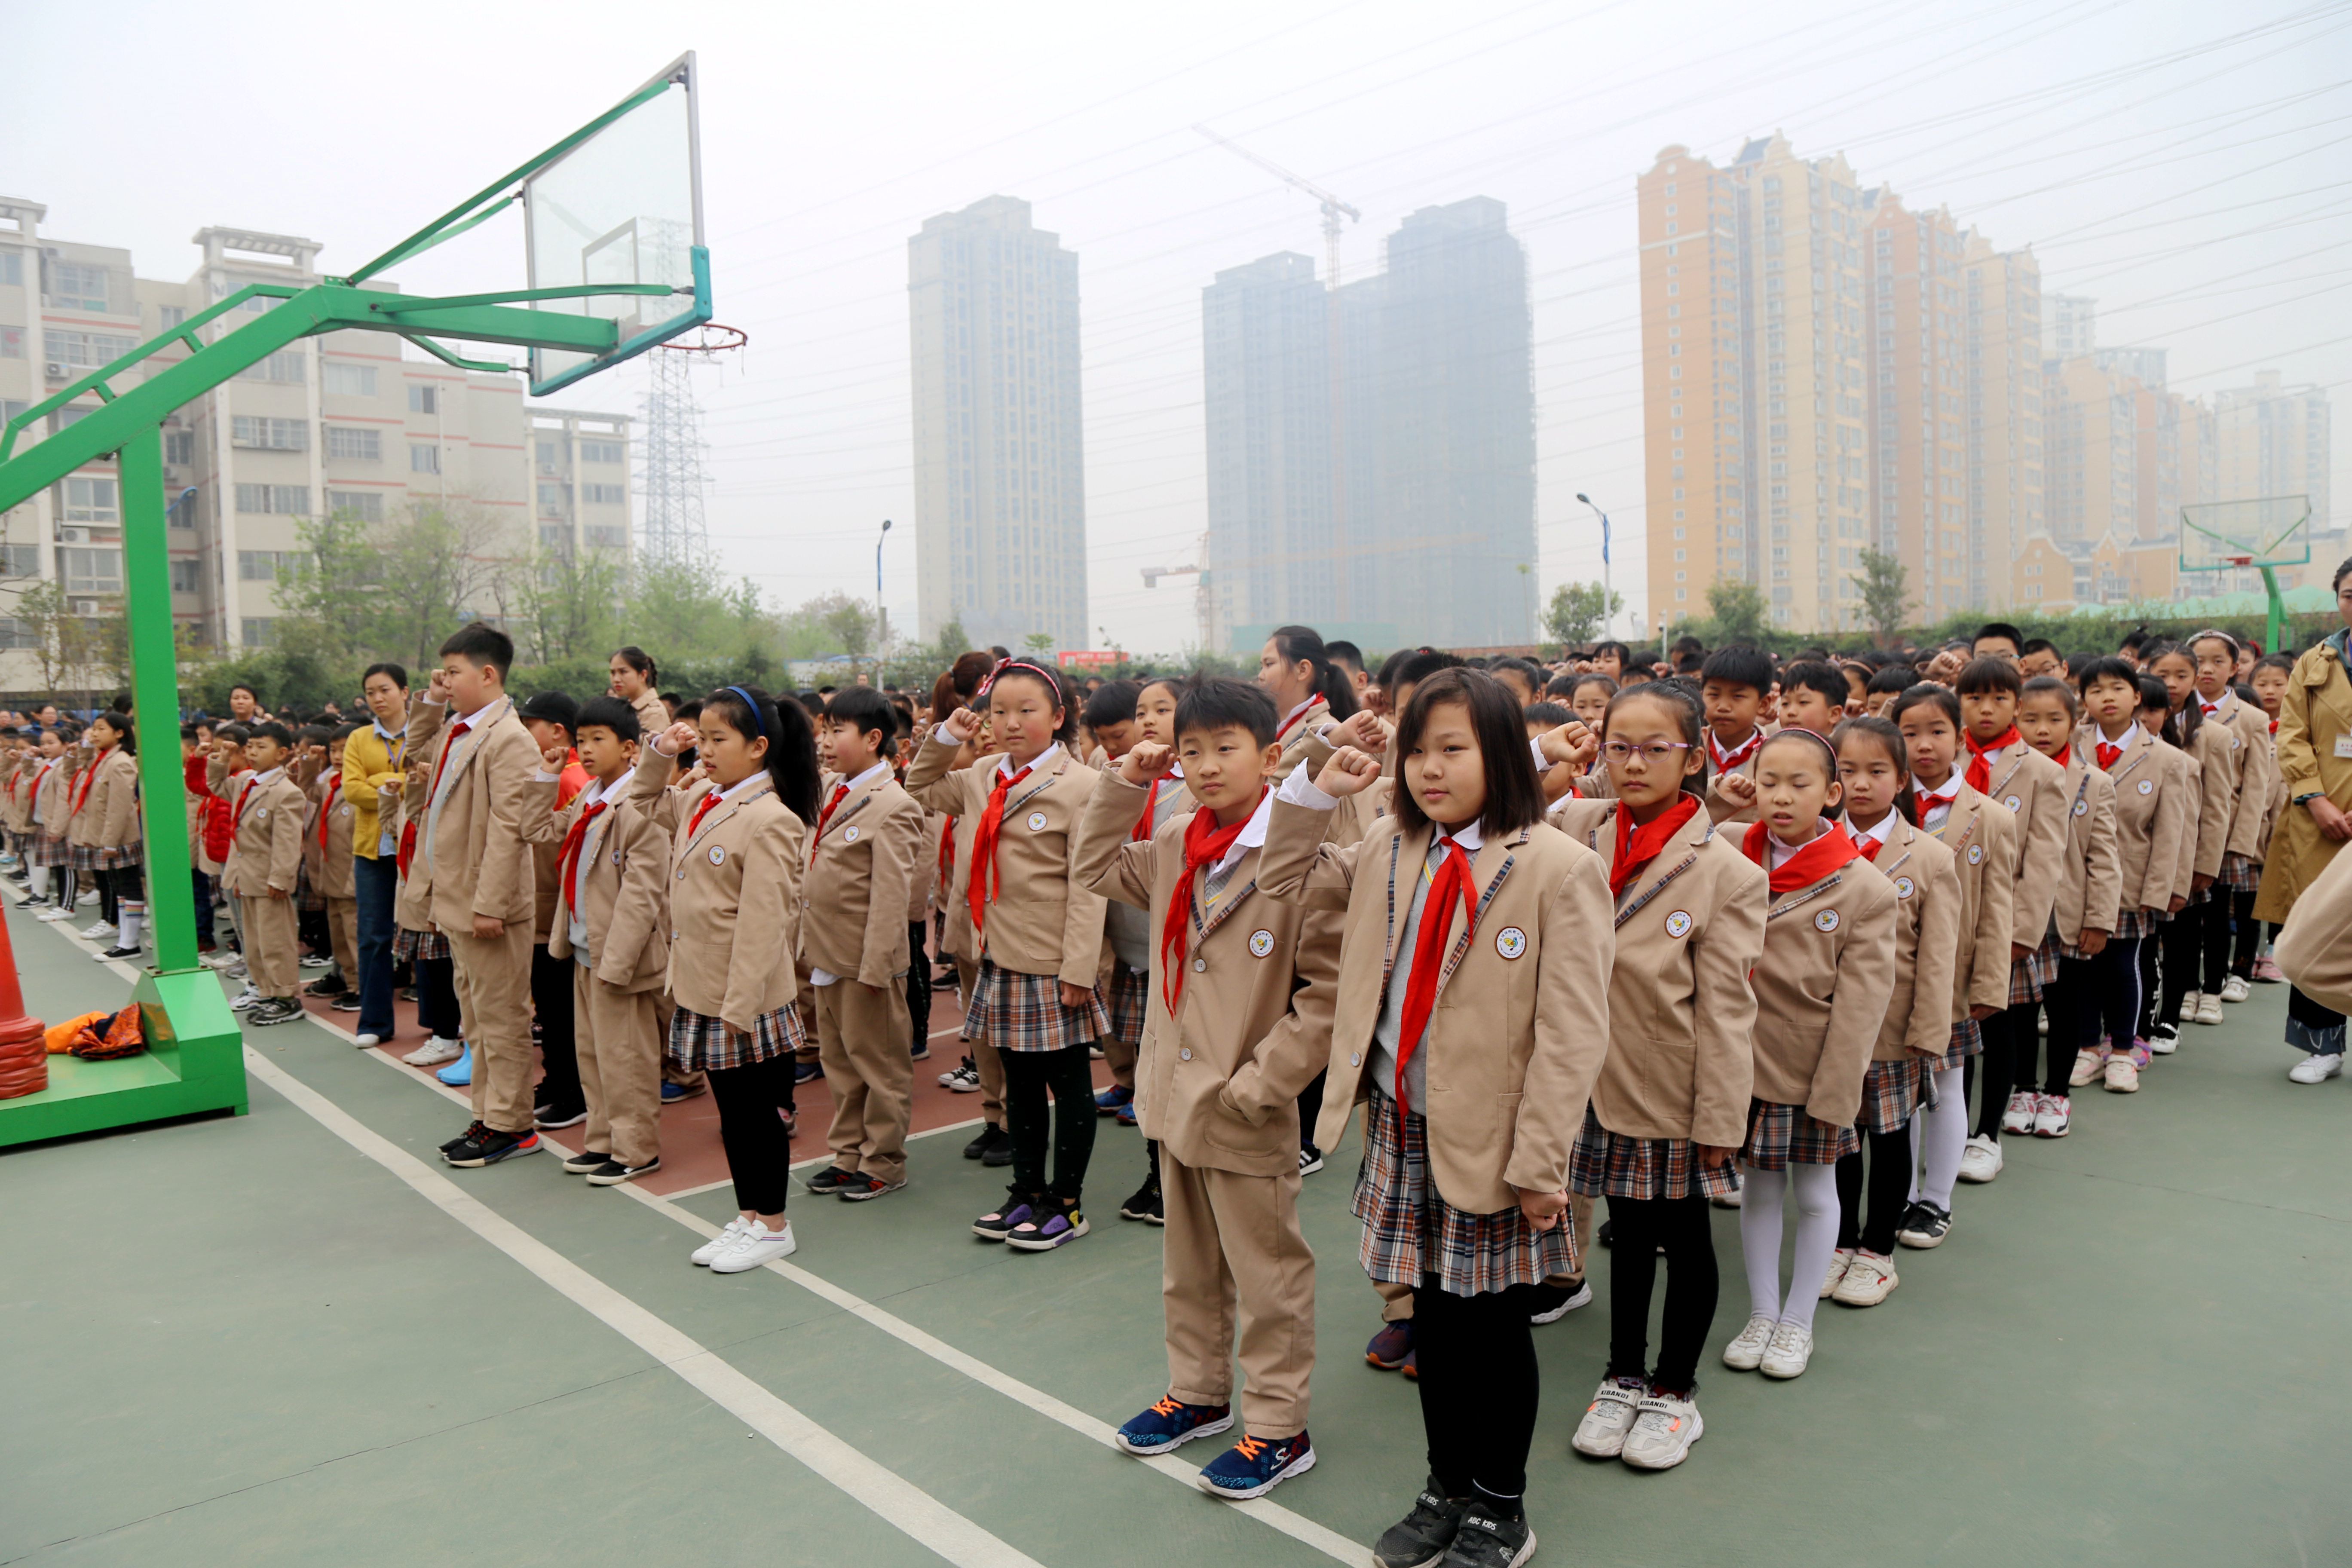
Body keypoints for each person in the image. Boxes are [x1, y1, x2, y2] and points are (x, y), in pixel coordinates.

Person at [1259, 668, 1612, 1565]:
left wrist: (1542, 1167)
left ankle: (1502, 1505)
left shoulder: (1557, 866)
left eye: (1452, 749)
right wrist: (1309, 792)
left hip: (1498, 1141)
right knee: (1438, 1326)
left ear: (1499, 752)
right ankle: (1446, 1484)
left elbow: (1572, 1034)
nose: (1429, 769)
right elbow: (1281, 879)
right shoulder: (1389, 845)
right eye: (1416, 751)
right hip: (1404, 1128)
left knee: (1491, 1330)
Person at [1076, 678, 1340, 1501]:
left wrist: (1262, 1085)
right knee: (1186, 1264)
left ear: (1270, 757)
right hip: (1173, 1096)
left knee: (1266, 1273)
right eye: (1190, 750)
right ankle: (1197, 1392)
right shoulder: (1177, 838)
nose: (1204, 765)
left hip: (1244, 1103)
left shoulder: (1301, 858)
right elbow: (1089, 865)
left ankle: (1277, 1424)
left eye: (1225, 748)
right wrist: (1126, 779)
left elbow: (1326, 997)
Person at [1548, 683, 1764, 1465]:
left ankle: (1674, 1390)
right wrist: (1551, 754)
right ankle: (1621, 1374)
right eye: (1617, 746)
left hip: (1670, 1082)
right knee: (1626, 1231)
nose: (1633, 763)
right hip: (1588, 1080)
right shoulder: (1576, 825)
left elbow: (1726, 1010)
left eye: (1654, 748)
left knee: (1681, 1231)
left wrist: (1719, 1118)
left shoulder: (1726, 871)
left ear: (1694, 756)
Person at [907, 659, 1111, 1251]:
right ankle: (1027, 1190)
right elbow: (919, 787)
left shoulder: (1084, 786)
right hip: (997, 953)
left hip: (1050, 958)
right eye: (1000, 711)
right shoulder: (982, 776)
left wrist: (1079, 968)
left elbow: (1087, 884)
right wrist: (947, 735)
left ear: (1058, 716)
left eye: (1027, 711)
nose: (1011, 723)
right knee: (1017, 1080)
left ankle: (1066, 1204)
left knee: (1068, 1078)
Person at [1715, 729, 1896, 1382]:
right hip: (1738, 1061)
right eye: (1768, 783)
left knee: (1817, 1194)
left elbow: (1861, 1007)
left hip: (1810, 1067)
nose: (1781, 798)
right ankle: (1763, 1312)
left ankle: (1798, 1322)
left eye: (1800, 784)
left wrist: (1836, 1093)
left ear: (1833, 792)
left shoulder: (1864, 886)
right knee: (1759, 1189)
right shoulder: (1732, 849)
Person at [636, 688, 820, 1268]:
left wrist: (739, 1008)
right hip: (705, 985)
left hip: (745, 996)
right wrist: (661, 753)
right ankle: (748, 1215)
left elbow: (766, 926)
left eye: (720, 740)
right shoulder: (703, 797)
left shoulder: (771, 818)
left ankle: (773, 1224)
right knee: (733, 1116)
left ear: (759, 746)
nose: (707, 751)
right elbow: (643, 803)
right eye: (703, 738)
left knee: (757, 1116)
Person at [1825, 717, 1957, 1307]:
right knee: (1838, 1136)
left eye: (1876, 772)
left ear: (1901, 778)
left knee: (1891, 1136)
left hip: (1893, 1029)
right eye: (1847, 771)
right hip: (1826, 1028)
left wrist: (1929, 1031)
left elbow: (1937, 956)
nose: (1860, 784)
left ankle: (1878, 1251)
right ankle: (1842, 1240)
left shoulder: (1929, 857)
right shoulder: (1816, 844)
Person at [409, 623, 544, 1170]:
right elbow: (411, 750)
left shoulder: (510, 738)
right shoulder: (460, 729)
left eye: (455, 672)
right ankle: (490, 1114)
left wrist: (490, 903)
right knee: (478, 1017)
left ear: (488, 674)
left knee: (502, 1017)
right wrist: (432, 700)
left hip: (488, 906)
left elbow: (508, 829)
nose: (445, 680)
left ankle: (512, 1125)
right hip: (457, 899)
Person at [523, 695, 672, 1186]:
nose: (584, 750)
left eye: (597, 740)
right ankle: (603, 1140)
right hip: (585, 948)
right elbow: (536, 829)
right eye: (580, 740)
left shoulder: (639, 806)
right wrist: (546, 777)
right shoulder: (589, 796)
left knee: (627, 1058)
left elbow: (643, 892)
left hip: (620, 958)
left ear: (631, 749)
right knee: (593, 1054)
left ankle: (636, 1149)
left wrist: (618, 962)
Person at [1890, 683, 2013, 1250]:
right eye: (1910, 733)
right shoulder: (1881, 812)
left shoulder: (1988, 817)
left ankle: (1936, 1199)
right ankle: (1899, 1194)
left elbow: (1996, 908)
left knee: (1947, 1082)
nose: (1924, 745)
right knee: (1901, 1088)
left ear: (1960, 737)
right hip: (1890, 976)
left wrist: (1990, 982)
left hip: (1956, 977)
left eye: (1937, 731)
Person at [799, 687, 926, 1204]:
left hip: (865, 963)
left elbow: (891, 898)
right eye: (824, 730)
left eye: (837, 731)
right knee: (841, 1064)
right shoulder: (835, 788)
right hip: (829, 956)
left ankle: (884, 1162)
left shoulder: (894, 805)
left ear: (874, 739)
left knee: (880, 1066)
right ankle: (848, 1154)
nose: (825, 742)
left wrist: (876, 969)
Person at [1951, 657, 2067, 1185]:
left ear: (2016, 706)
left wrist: (2021, 931)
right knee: (1956, 1029)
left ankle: (1987, 1134)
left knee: (1998, 1025)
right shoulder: (1942, 759)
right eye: (1975, 699)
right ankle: (1953, 1129)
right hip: (1947, 922)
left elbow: (2044, 857)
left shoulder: (2043, 772)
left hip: (2004, 923)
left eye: (1999, 698)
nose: (1986, 709)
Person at [2255, 560, 2352, 1081]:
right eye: (2350, 593)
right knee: (2318, 929)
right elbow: (2291, 736)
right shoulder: (2315, 663)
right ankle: (2322, 1046)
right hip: (2322, 820)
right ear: (2338, 597)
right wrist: (2315, 799)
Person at [2007, 677, 2118, 1118]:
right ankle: (2023, 1087)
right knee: (2018, 1007)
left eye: (2055, 719)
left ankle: (2057, 1094)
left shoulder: (2094, 782)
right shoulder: (2003, 774)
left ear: (2075, 723)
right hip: (2016, 913)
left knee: (2065, 1005)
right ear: (2016, 719)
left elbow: (2104, 858)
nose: (2043, 729)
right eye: (2031, 719)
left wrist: (2099, 919)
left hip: (2065, 915)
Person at [2188, 630, 2277, 1009]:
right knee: (2186, 916)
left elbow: (2256, 787)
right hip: (2182, 828)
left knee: (2220, 911)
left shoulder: (2252, 718)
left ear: (2235, 668)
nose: (2207, 670)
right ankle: (2186, 986)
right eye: (2199, 662)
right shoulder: (2176, 712)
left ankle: (2216, 986)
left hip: (2224, 831)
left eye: (2218, 662)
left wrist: (2242, 842)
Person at [519, 690, 592, 1133]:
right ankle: (558, 1080)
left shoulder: (569, 780)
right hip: (545, 910)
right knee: (550, 1009)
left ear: (557, 732)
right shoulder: (554, 773)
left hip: (556, 913)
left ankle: (572, 1090)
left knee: (560, 1011)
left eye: (530, 729)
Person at [224, 722, 310, 1026]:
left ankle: (287, 997)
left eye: (262, 747)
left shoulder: (287, 792)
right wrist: (219, 757)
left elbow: (287, 842)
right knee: (256, 941)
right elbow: (213, 785)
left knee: (276, 941)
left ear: (283, 753)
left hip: (269, 879)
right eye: (250, 747)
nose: (253, 753)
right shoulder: (248, 781)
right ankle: (267, 992)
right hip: (247, 876)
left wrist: (280, 879)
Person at [345, 663, 410, 1050]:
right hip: (372, 850)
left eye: (384, 690)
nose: (378, 698)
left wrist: (385, 784)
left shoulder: (425, 733)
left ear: (404, 691)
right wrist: (398, 788)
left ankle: (441, 1025)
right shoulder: (358, 738)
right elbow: (352, 790)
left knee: (429, 934)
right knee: (372, 936)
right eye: (371, 692)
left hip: (416, 849)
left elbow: (428, 781)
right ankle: (374, 1021)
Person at [67, 711, 144, 958]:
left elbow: (119, 808)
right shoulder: (104, 759)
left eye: (101, 729)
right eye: (94, 729)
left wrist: (110, 842)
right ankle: (125, 940)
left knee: (128, 886)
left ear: (120, 733)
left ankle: (130, 943)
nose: (95, 733)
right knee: (119, 886)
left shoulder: (120, 762)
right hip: (106, 836)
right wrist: (85, 745)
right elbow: (83, 764)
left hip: (119, 837)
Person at [296, 726, 361, 1008]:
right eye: (334, 750)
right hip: (331, 874)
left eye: (345, 749)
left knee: (355, 934)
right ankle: (350, 982)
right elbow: (307, 792)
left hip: (353, 876)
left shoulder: (362, 785)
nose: (338, 756)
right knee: (339, 935)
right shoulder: (331, 782)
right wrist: (311, 763)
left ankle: (363, 988)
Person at [1697, 646, 1772, 823]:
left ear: (1763, 704)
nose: (1723, 706)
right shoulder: (1689, 747)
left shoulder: (1775, 754)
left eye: (1737, 696)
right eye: (1714, 695)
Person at [1776, 661, 1850, 738]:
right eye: (1785, 704)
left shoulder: (1845, 749)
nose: (1791, 712)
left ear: (1834, 714)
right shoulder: (1772, 748)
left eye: (1803, 702)